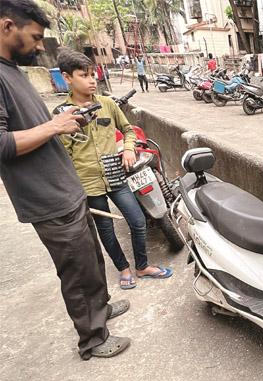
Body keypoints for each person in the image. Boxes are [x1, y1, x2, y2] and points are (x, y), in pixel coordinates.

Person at [0, 0, 130, 359]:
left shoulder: (12, 70)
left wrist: (64, 121)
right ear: (8, 26)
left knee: (90, 259)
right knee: (76, 270)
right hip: (47, 200)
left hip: (66, 190)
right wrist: (54, 125)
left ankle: (100, 310)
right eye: (36, 37)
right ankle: (93, 339)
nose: (41, 46)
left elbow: (32, 130)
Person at [55, 48, 173, 291]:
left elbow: (128, 130)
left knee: (138, 220)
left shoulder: (108, 104)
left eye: (93, 74)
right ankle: (124, 269)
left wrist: (129, 149)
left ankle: (142, 266)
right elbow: (62, 155)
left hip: (115, 174)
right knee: (106, 230)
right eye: (84, 75)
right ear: (67, 78)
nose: (92, 80)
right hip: (87, 182)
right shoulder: (61, 115)